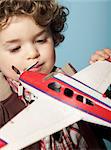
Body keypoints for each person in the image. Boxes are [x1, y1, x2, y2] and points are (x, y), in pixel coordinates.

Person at [0, 0, 106, 149]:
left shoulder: (73, 79)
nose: (33, 53)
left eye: (41, 40)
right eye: (15, 48)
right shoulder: (2, 106)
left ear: (53, 37)